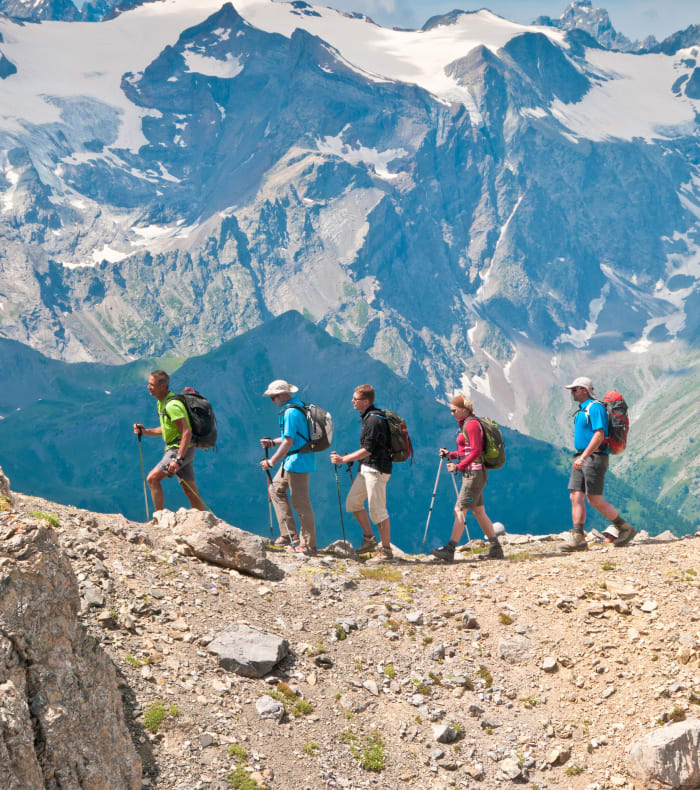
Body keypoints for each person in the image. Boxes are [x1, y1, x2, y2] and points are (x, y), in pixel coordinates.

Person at [559, 376, 636, 552]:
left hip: (593, 457)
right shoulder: (583, 409)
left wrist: (584, 457)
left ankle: (624, 528)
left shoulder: (595, 408)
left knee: (594, 499)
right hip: (583, 457)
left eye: (575, 389)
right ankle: (578, 537)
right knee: (575, 496)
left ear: (584, 390)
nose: (572, 392)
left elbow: (599, 435)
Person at [430, 395, 504, 561]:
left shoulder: (471, 424)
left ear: (463, 409)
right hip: (475, 473)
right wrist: (451, 455)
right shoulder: (468, 424)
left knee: (459, 509)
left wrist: (459, 466)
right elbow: (467, 452)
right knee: (478, 511)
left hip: (474, 474)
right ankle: (495, 548)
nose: (452, 413)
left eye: (453, 410)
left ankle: (450, 550)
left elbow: (476, 451)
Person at [330, 385, 393, 563]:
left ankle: (386, 552)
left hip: (376, 470)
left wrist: (344, 459)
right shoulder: (369, 418)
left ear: (365, 401)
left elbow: (368, 449)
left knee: (377, 510)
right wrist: (350, 458)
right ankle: (369, 541)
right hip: (367, 469)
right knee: (353, 502)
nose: (352, 401)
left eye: (355, 399)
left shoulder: (373, 421)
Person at [133, 370, 205, 512]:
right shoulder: (163, 403)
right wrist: (145, 431)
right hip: (186, 449)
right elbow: (167, 429)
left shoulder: (172, 406)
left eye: (151, 384)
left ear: (162, 386)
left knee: (152, 479)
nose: (148, 387)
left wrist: (178, 459)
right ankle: (204, 521)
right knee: (190, 490)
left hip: (178, 449)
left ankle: (159, 518)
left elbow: (186, 432)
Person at [259, 380, 317, 555]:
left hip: (297, 462)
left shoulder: (291, 412)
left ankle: (308, 545)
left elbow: (289, 441)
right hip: (295, 459)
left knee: (301, 503)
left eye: (273, 397)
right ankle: (289, 535)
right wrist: (272, 442)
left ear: (282, 395)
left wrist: (271, 461)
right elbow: (290, 438)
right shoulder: (299, 407)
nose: (272, 401)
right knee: (275, 489)